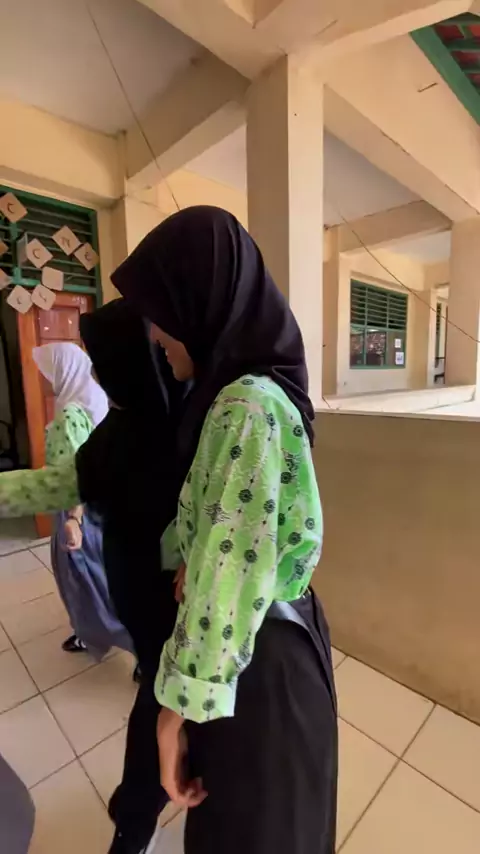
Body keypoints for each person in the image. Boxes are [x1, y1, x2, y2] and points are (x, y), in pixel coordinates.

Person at [111, 205, 338, 854]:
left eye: (161, 312)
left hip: (258, 662)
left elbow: (232, 572)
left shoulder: (243, 405)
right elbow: (242, 536)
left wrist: (170, 716)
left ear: (199, 302)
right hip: (264, 646)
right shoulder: (249, 395)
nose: (154, 334)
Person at [76, 300, 182, 854]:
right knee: (164, 695)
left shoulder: (124, 438)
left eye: (97, 357)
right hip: (158, 591)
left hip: (150, 591)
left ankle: (136, 818)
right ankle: (139, 804)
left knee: (159, 700)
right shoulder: (170, 421)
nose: (93, 370)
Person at [1, 342, 134, 660]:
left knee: (85, 581)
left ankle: (125, 641)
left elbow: (76, 476)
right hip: (96, 511)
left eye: (46, 370)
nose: (42, 377)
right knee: (100, 577)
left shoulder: (70, 415)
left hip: (78, 515)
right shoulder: (94, 401)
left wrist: (73, 519)